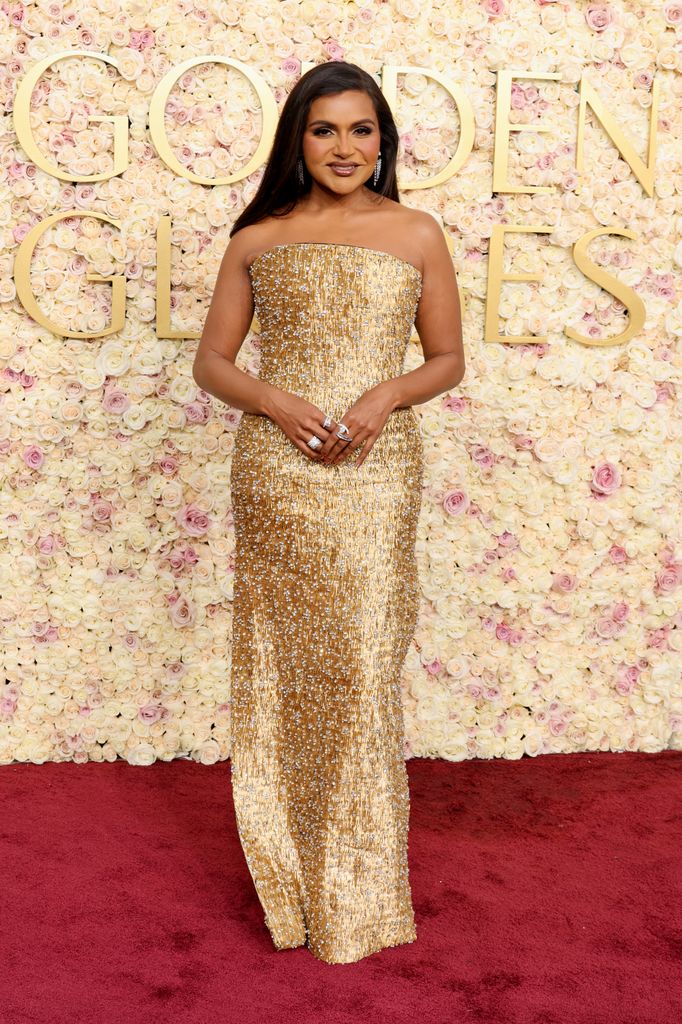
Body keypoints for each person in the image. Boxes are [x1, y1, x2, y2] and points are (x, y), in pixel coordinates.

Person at [193, 60, 463, 964]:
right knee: (284, 671)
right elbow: (213, 364)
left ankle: (362, 894)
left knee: (361, 667)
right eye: (323, 130)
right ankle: (293, 886)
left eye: (360, 129)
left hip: (379, 474)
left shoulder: (418, 232)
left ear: (383, 139)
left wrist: (388, 394)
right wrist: (274, 402)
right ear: (296, 141)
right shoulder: (258, 236)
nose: (343, 147)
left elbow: (448, 359)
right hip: (279, 471)